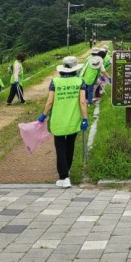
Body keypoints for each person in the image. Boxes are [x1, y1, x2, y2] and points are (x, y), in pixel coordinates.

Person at [38, 56, 89, 188]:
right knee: (70, 145)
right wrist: (85, 119)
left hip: (58, 121)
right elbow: (83, 102)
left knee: (60, 148)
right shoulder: (80, 81)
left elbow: (50, 101)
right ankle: (67, 170)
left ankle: (64, 177)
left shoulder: (54, 82)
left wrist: (44, 115)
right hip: (74, 120)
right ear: (75, 69)